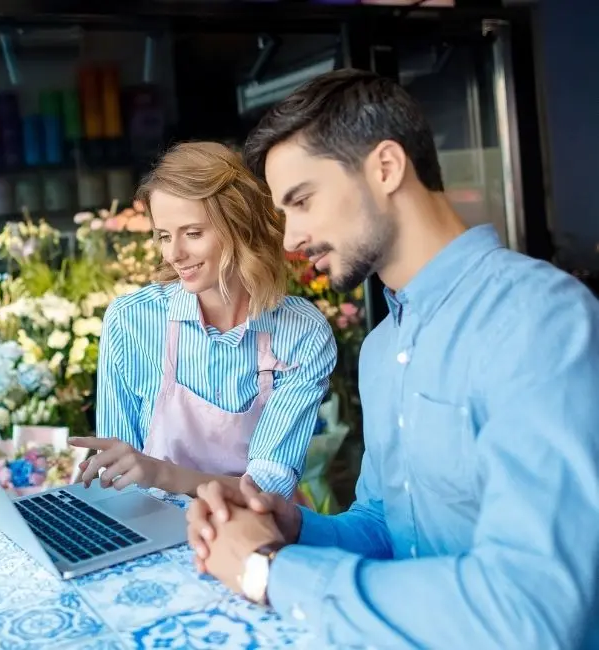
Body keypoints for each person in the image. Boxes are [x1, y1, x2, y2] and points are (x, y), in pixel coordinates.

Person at [187, 68, 599, 649]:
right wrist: (294, 528)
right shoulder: (384, 349)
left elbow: (532, 611)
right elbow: (388, 529)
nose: (289, 240)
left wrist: (271, 573)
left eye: (301, 201)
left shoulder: (539, 320)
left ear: (385, 167)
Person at [71, 141, 337, 499]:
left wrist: (159, 473)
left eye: (193, 233)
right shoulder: (132, 320)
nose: (175, 254)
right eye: (164, 236)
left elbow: (267, 488)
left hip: (252, 529)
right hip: (153, 531)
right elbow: (120, 472)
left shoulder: (300, 332)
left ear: (240, 227)